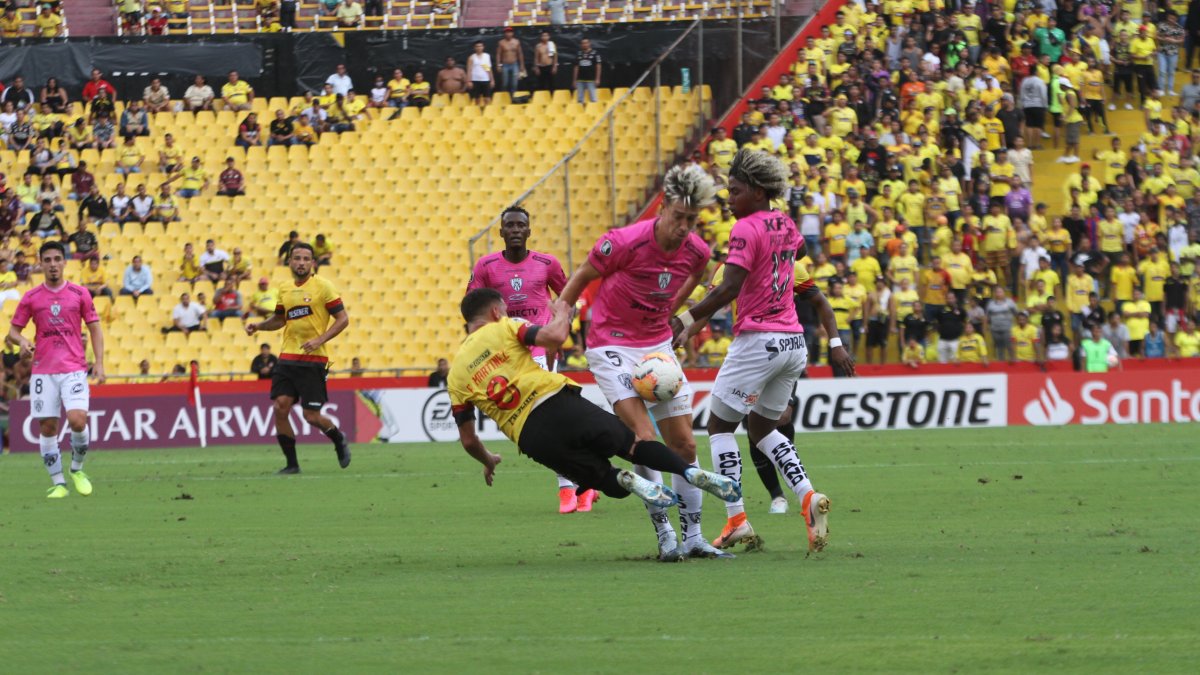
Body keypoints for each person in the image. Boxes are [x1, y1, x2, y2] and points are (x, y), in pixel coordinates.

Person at [670, 149, 852, 554]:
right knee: (762, 429)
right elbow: (797, 253)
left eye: (734, 191)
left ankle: (736, 519)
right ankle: (807, 496)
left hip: (757, 341)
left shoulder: (745, 229)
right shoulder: (785, 222)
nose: (728, 199)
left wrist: (684, 319)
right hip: (793, 343)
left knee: (719, 427)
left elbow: (730, 288)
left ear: (757, 190)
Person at [450, 288, 740, 523]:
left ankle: (628, 480)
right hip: (558, 403)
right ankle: (688, 472)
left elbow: (468, 439)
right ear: (496, 312)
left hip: (530, 436)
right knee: (633, 445)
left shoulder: (456, 375)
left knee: (602, 478)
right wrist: (561, 315)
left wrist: (488, 460)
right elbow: (553, 338)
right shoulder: (504, 327)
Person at [558, 165, 727, 560]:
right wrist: (561, 316)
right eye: (678, 217)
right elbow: (581, 276)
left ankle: (694, 537)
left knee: (685, 444)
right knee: (644, 439)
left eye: (692, 220)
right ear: (663, 206)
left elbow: (693, 279)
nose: (684, 227)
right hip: (610, 344)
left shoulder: (698, 251)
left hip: (656, 347)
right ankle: (664, 532)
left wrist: (675, 318)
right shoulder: (623, 242)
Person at [466, 205, 581, 513]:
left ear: (529, 231)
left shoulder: (547, 263)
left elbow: (568, 299)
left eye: (520, 225)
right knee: (535, 425)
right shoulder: (486, 266)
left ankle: (567, 487)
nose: (516, 230)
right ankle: (584, 477)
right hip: (506, 354)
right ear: (501, 232)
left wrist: (561, 328)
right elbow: (472, 307)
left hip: (540, 348)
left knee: (546, 418)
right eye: (510, 226)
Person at [6, 241, 105, 498]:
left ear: (65, 262)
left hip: (74, 368)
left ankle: (77, 470)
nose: (52, 264)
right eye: (47, 260)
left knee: (77, 420)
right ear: (40, 263)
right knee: (48, 427)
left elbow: (95, 328)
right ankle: (59, 483)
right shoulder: (31, 297)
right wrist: (22, 341)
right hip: (43, 372)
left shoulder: (80, 293)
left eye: (57, 259)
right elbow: (12, 332)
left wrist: (99, 363)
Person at [246, 243, 351, 474]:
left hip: (313, 360)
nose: (301, 262)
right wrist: (259, 326)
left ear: (312, 263)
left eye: (306, 259)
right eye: (297, 258)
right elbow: (279, 320)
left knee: (310, 416)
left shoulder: (323, 286)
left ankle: (338, 437)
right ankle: (292, 465)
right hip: (287, 359)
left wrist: (320, 340)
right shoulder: (284, 288)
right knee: (280, 407)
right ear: (290, 262)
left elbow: (343, 319)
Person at [496, 27, 525, 97]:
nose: (508, 34)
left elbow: (520, 53)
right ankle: (504, 97)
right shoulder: (501, 43)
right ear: (504, 33)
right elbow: (498, 54)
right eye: (506, 32)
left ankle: (513, 98)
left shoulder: (516, 42)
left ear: (512, 33)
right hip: (505, 65)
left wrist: (522, 65)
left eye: (509, 32)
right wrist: (498, 65)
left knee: (514, 83)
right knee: (505, 83)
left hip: (514, 64)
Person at [573, 38, 601, 104]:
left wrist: (597, 79)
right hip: (580, 79)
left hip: (591, 79)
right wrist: (574, 80)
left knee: (593, 98)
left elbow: (598, 66)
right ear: (581, 44)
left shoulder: (595, 53)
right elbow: (576, 67)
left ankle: (594, 109)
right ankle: (580, 109)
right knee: (580, 99)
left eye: (586, 43)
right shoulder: (578, 54)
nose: (584, 45)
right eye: (583, 43)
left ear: (589, 43)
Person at [466, 41, 494, 107]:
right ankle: (477, 111)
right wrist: (469, 81)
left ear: (483, 47)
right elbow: (469, 70)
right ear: (474, 48)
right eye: (477, 46)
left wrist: (492, 80)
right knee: (477, 99)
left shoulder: (486, 56)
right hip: (475, 80)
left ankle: (487, 111)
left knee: (487, 98)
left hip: (485, 79)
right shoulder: (471, 57)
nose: (479, 48)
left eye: (480, 46)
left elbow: (488, 69)